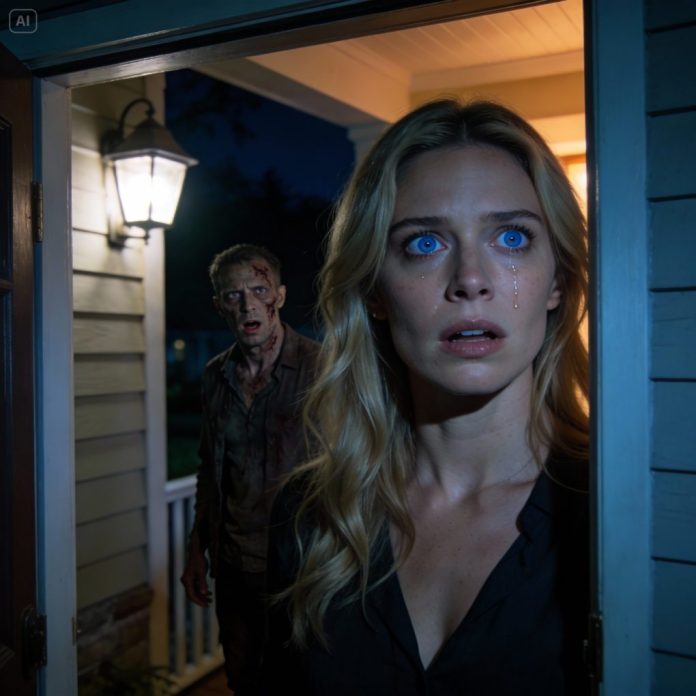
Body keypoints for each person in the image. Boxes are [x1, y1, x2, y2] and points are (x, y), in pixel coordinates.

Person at [263, 100, 590, 695]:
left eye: (511, 237)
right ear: (374, 290)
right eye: (424, 243)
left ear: (558, 281)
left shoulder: (616, 513)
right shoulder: (312, 517)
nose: (471, 279)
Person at [180, 243, 319, 695]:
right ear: (219, 304)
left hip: (301, 572)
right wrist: (197, 548)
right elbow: (210, 468)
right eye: (233, 295)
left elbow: (351, 469)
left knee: (302, 684)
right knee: (244, 682)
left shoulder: (323, 370)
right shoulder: (215, 376)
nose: (247, 306)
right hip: (235, 570)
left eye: (259, 290)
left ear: (279, 295)